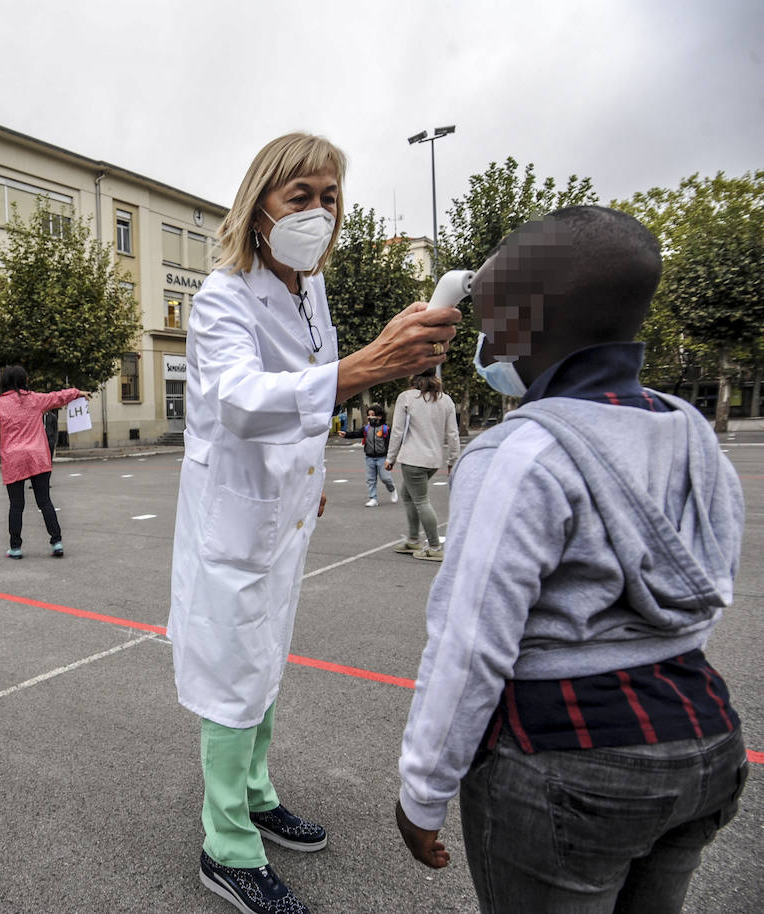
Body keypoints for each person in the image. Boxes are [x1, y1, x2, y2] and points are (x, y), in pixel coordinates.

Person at [395, 206, 748, 914]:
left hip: (569, 761)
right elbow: (709, 583)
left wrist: (421, 793)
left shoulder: (519, 453)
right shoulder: (688, 431)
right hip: (703, 739)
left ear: (531, 320)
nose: (485, 339)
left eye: (492, 320)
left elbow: (470, 645)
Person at [167, 132, 460, 914]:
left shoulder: (311, 290)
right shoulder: (221, 297)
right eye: (301, 196)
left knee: (264, 664)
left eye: (330, 198)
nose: (319, 212)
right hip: (234, 519)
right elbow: (239, 400)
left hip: (283, 514)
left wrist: (311, 477)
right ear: (258, 206)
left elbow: (303, 397)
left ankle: (257, 793)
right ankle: (225, 845)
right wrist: (372, 362)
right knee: (233, 681)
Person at [0, 366, 82, 559]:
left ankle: (15, 547)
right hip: (38, 457)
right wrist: (76, 393)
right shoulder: (35, 399)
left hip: (13, 459)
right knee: (44, 501)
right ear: (25, 380)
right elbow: (57, 397)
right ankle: (56, 542)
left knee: (16, 505)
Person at [384, 371, 459, 561]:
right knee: (408, 494)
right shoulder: (446, 400)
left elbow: (397, 431)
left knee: (421, 501)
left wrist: (390, 457)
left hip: (413, 458)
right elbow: (453, 434)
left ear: (413, 377)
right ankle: (413, 539)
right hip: (434, 460)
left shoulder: (407, 397)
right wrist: (453, 460)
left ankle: (434, 546)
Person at [337, 404, 396, 506]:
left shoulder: (385, 429)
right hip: (369, 458)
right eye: (369, 415)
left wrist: (391, 459)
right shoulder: (366, 428)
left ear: (379, 416)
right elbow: (356, 434)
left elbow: (392, 444)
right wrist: (346, 434)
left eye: (373, 415)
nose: (370, 417)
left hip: (382, 458)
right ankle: (373, 498)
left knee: (386, 478)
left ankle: (392, 489)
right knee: (370, 479)